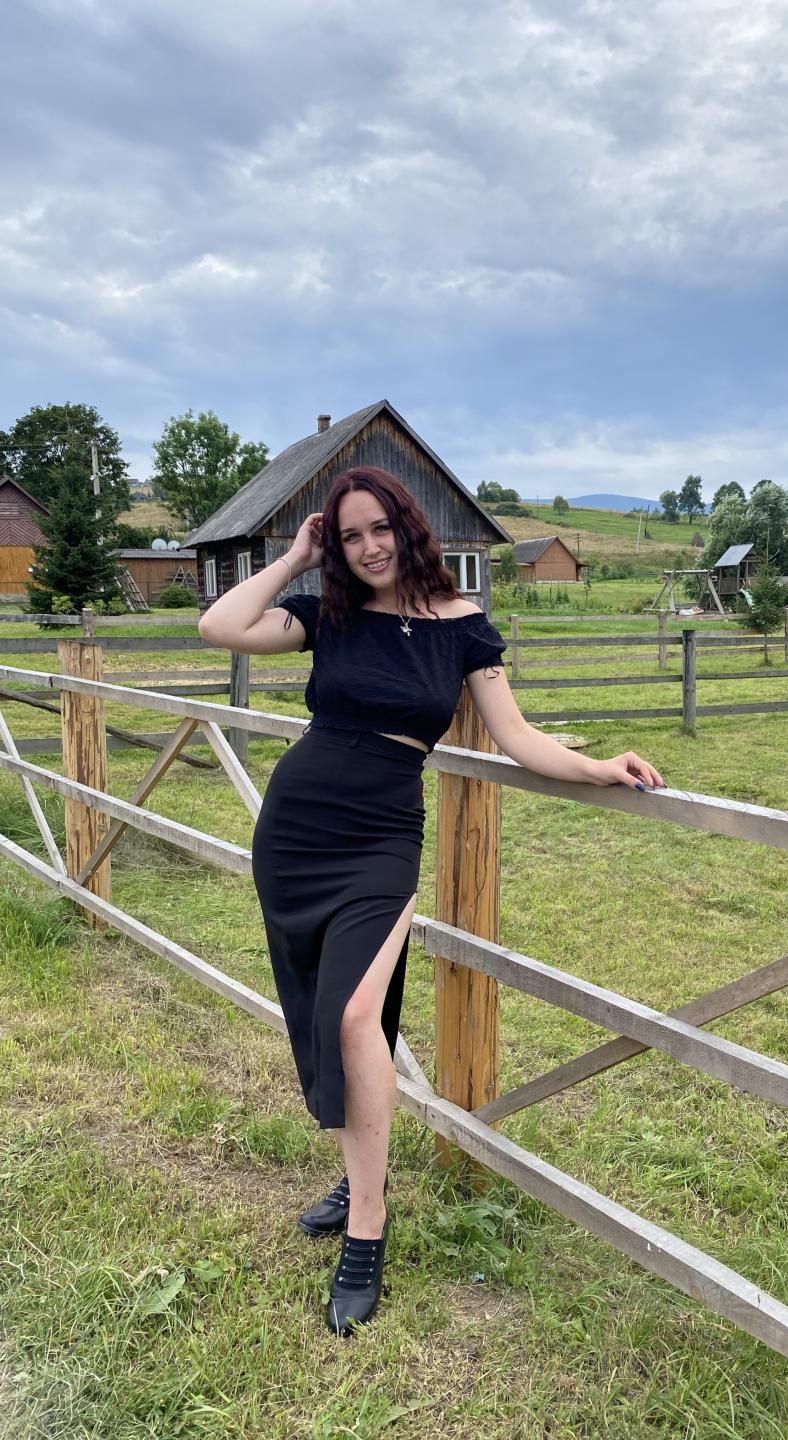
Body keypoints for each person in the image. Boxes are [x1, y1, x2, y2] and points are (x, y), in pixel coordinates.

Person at [198, 465, 664, 1336]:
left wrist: (601, 765)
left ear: (408, 527)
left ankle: (367, 1227)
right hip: (297, 830)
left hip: (380, 837)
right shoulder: (327, 615)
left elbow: (516, 735)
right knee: (329, 1014)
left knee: (354, 1015)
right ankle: (359, 1176)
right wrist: (295, 556)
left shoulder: (464, 626)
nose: (368, 547)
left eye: (379, 528)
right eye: (349, 536)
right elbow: (218, 625)